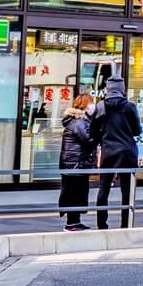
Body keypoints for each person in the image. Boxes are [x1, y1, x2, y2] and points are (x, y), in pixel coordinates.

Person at [90, 73, 141, 229]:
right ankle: (125, 224)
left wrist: (103, 139)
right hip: (127, 151)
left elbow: (92, 131)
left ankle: (101, 224)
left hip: (108, 151)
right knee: (126, 190)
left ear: (107, 89)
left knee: (104, 188)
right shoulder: (129, 106)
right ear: (122, 89)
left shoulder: (100, 106)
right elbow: (137, 130)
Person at [58, 93, 96, 231]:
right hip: (75, 164)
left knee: (74, 193)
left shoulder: (75, 121)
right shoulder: (79, 122)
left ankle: (74, 222)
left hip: (73, 163)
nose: (94, 106)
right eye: (91, 103)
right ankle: (71, 224)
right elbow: (89, 139)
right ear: (85, 105)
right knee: (75, 193)